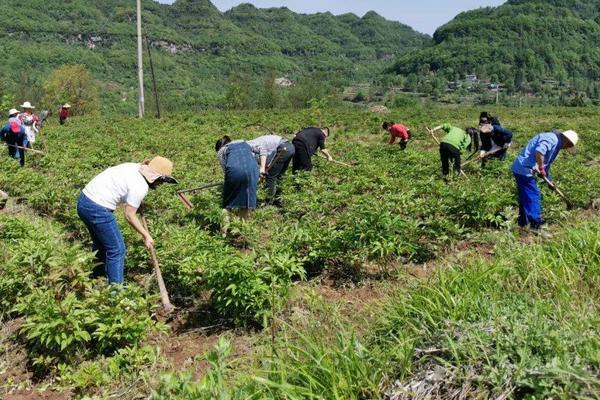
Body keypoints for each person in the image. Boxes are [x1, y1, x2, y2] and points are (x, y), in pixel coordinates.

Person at [77, 157, 177, 284]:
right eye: (161, 181)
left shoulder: (135, 167)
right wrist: (146, 236)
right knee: (117, 249)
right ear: (155, 177)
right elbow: (130, 215)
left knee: (102, 245)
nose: (161, 184)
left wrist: (136, 202)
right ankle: (117, 294)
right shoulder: (140, 186)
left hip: (84, 201)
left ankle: (96, 279)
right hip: (97, 209)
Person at [511, 130, 578, 233]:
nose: (567, 148)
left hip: (522, 168)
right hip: (524, 168)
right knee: (533, 195)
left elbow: (546, 163)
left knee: (525, 196)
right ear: (567, 142)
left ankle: (523, 222)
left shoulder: (556, 144)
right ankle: (535, 225)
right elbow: (539, 152)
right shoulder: (552, 138)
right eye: (568, 146)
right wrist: (541, 167)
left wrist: (549, 180)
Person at [216, 136, 259, 219]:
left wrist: (230, 181)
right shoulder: (245, 142)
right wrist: (261, 169)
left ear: (220, 146)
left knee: (227, 204)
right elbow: (259, 151)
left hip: (234, 171)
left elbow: (226, 170)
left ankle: (223, 231)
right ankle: (241, 229)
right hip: (253, 168)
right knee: (246, 203)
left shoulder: (221, 151)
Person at [246, 134, 295, 206]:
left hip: (283, 148)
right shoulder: (250, 145)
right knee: (279, 175)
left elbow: (263, 153)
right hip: (290, 147)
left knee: (271, 176)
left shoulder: (248, 147)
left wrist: (262, 170)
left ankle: (269, 202)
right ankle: (278, 200)